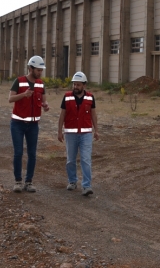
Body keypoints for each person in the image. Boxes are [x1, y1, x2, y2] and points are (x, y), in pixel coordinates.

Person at [8, 56, 50, 193]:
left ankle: (29, 182)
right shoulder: (19, 81)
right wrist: (23, 95)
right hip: (18, 124)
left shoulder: (40, 84)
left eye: (41, 70)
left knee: (32, 154)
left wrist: (45, 105)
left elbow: (44, 101)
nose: (40, 73)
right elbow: (10, 98)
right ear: (30, 68)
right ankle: (18, 181)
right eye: (38, 70)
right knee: (18, 152)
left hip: (33, 125)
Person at [57, 71, 99, 196]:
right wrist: (60, 131)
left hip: (86, 134)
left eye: (78, 85)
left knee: (86, 160)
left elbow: (93, 114)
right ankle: (72, 181)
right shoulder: (67, 96)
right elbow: (62, 115)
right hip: (70, 134)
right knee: (70, 160)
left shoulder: (90, 97)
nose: (76, 87)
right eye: (74, 84)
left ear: (84, 85)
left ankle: (86, 186)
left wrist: (96, 130)